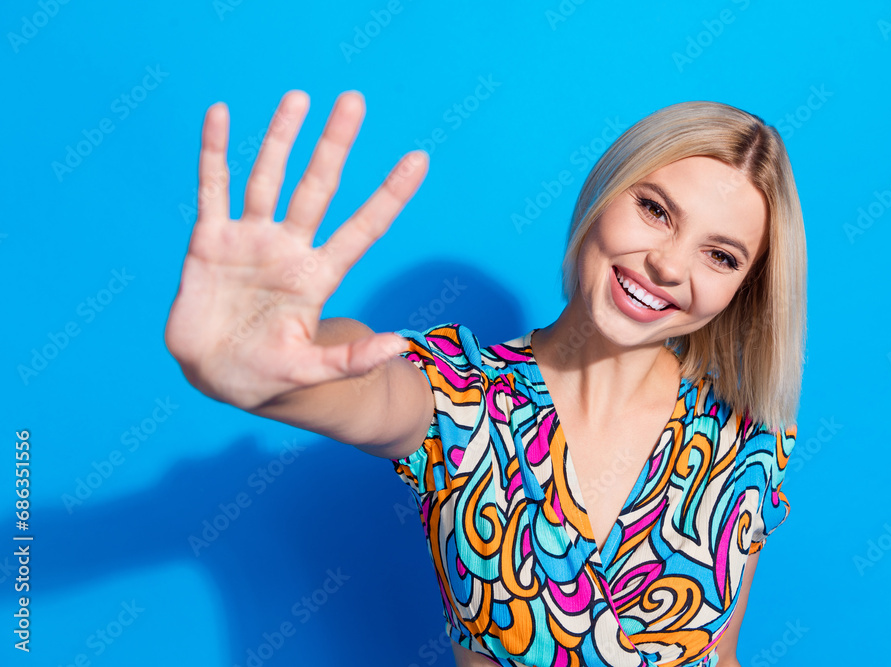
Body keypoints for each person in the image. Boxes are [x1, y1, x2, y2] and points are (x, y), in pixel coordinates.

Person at [165, 89, 806, 667]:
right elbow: (366, 377)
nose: (668, 265)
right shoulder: (458, 395)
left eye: (720, 255)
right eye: (655, 209)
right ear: (605, 194)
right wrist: (257, 360)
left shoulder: (750, 442)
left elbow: (723, 657)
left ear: (743, 289)